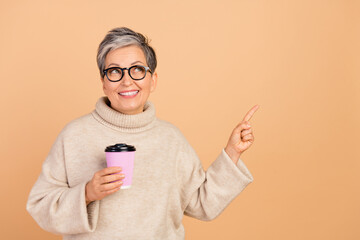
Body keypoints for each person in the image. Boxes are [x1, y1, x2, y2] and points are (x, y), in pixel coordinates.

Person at [26, 27, 259, 240]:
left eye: (137, 70)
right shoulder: (74, 135)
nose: (127, 81)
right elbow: (39, 206)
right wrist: (87, 193)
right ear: (103, 82)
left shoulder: (171, 139)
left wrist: (232, 152)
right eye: (115, 71)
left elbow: (202, 204)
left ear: (153, 80)